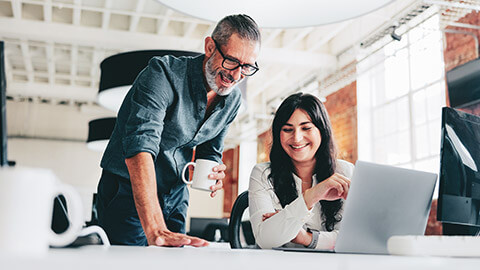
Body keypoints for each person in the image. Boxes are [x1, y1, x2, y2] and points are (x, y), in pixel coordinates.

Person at [96, 14, 261, 247]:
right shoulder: (162, 74)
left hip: (175, 194)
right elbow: (140, 147)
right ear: (210, 46)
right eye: (231, 61)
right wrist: (154, 228)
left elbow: (211, 149)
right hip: (128, 190)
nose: (235, 75)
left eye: (246, 67)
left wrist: (213, 172)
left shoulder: (232, 100)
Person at [248, 93, 354, 250]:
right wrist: (312, 196)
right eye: (287, 129)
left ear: (322, 131)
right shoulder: (262, 174)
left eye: (306, 128)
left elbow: (352, 238)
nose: (297, 138)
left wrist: (306, 238)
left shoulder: (344, 171)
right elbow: (266, 239)